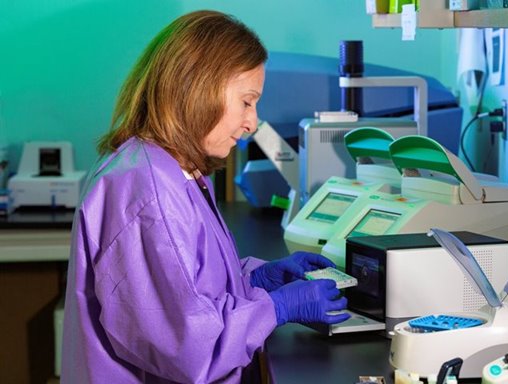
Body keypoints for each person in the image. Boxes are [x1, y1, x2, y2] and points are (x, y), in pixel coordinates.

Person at [61, 9, 350, 384]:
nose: (251, 122)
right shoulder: (147, 192)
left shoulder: (173, 170)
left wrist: (258, 279)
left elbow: (189, 285)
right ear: (198, 87)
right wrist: (275, 309)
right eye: (247, 101)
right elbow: (188, 346)